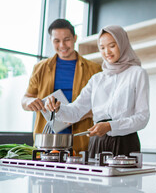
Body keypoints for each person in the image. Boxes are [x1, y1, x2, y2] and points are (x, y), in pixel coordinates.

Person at [45, 25, 150, 157]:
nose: (107, 52)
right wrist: (57, 108)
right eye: (102, 48)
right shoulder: (97, 79)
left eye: (112, 45)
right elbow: (75, 111)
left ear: (122, 44)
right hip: (97, 142)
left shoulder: (137, 73)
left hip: (125, 142)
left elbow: (142, 117)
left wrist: (110, 126)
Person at [21, 19, 102, 154]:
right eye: (57, 41)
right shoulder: (39, 68)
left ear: (75, 38)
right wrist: (29, 102)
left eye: (67, 39)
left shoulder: (94, 69)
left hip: (81, 143)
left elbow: (104, 107)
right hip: (46, 144)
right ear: (51, 40)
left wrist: (75, 115)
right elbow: (25, 99)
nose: (62, 45)